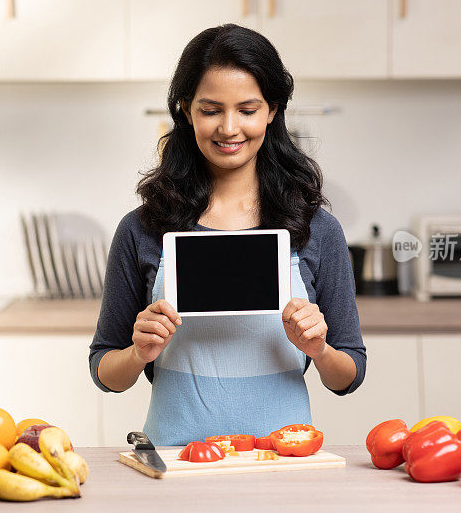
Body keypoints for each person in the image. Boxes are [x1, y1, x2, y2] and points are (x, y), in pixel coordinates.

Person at [89, 24, 366, 446]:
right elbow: (104, 371)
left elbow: (349, 375)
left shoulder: (316, 229)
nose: (229, 128)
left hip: (283, 463)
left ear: (272, 110)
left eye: (248, 110)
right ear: (185, 110)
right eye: (211, 109)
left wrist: (319, 349)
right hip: (176, 463)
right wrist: (138, 352)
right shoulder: (143, 228)